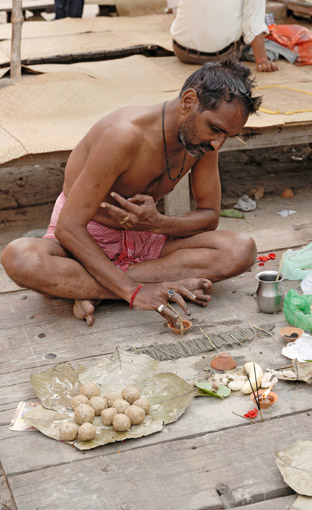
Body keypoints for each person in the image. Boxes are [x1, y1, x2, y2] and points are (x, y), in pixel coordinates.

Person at [1, 59, 260, 327]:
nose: (218, 142)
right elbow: (69, 228)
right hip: (83, 241)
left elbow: (209, 216)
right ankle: (130, 287)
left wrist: (159, 223)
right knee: (20, 258)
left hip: (146, 240)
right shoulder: (123, 135)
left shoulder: (203, 143)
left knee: (240, 249)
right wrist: (133, 292)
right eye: (216, 129)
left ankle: (91, 288)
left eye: (228, 135)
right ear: (188, 101)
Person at [170, 0, 279, 72]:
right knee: (250, 21)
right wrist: (262, 60)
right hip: (220, 56)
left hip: (182, 51)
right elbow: (254, 25)